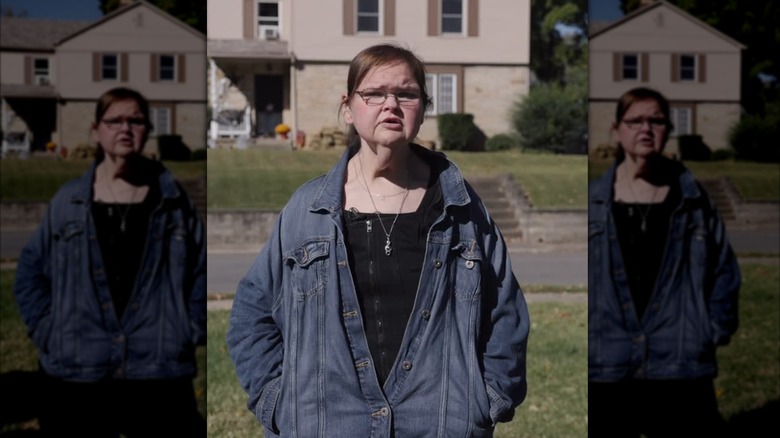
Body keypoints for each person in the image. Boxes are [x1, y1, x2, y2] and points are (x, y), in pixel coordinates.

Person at [227, 43, 529, 437]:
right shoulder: (308, 211)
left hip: (439, 423)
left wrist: (484, 400)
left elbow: (505, 312)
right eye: (374, 93)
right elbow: (251, 314)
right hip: (325, 424)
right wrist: (277, 401)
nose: (391, 104)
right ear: (349, 107)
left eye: (406, 94)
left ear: (422, 107)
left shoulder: (462, 210)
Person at [13, 87, 206, 436]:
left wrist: (187, 329)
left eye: (135, 120)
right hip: (76, 368)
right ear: (96, 129)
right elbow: (29, 273)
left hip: (159, 368)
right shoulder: (68, 201)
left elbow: (200, 271)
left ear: (147, 129)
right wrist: (48, 330)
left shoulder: (173, 201)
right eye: (114, 120)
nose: (125, 128)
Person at [588, 87, 741, 437]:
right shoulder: (594, 202)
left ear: (668, 129)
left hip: (681, 362)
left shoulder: (694, 202)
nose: (646, 128)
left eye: (656, 121)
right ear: (617, 129)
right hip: (607, 364)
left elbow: (724, 273)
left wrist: (709, 331)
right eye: (636, 120)